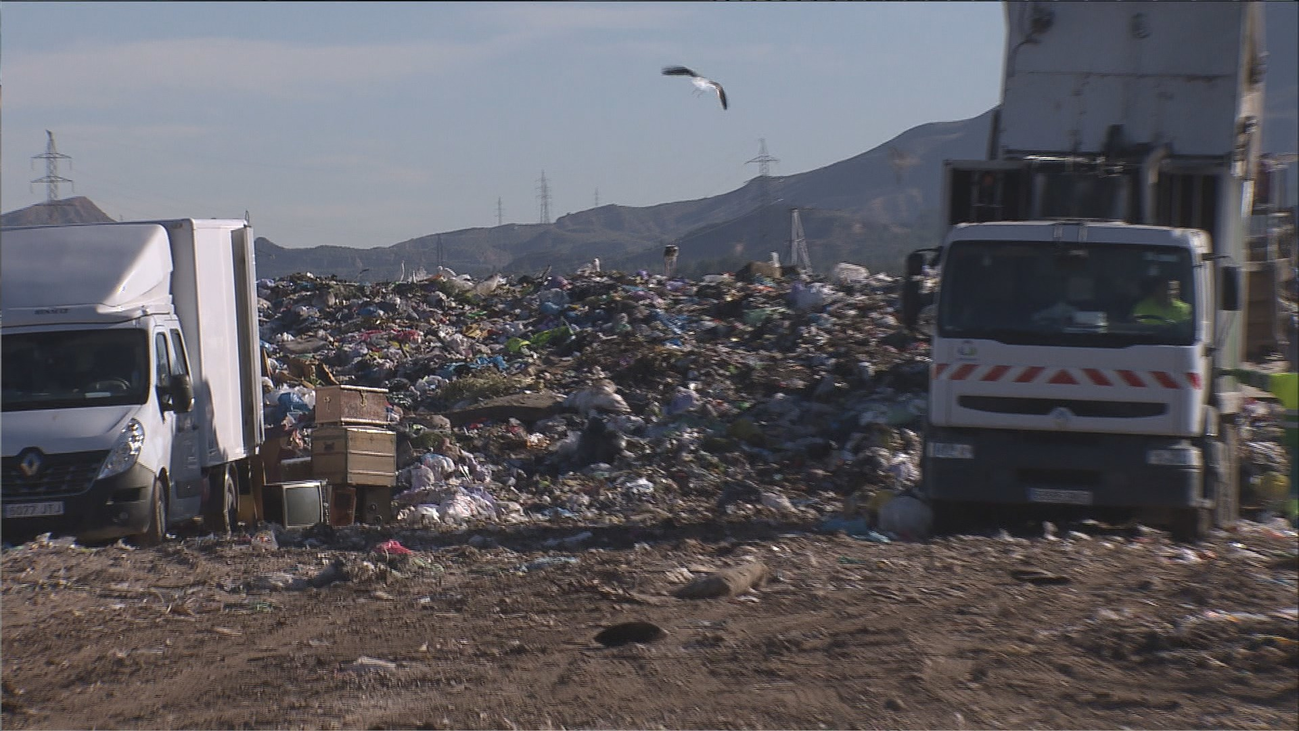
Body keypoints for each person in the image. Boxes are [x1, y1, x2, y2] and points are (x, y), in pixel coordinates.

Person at [1220, 366, 1298, 524]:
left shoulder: (1292, 382)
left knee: (1295, 484)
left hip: (1295, 444)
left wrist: (1234, 372)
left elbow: (1261, 380)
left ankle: (1295, 516)